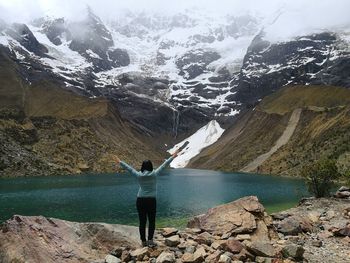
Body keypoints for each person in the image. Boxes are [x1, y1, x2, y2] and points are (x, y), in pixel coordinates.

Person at [112, 150, 179, 247]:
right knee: (152, 221)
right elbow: (164, 165)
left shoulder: (138, 175)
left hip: (140, 200)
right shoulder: (154, 174)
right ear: (151, 166)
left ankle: (143, 242)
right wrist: (172, 157)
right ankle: (150, 241)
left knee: (142, 221)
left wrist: (120, 162)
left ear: (142, 167)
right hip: (151, 201)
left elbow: (129, 169)